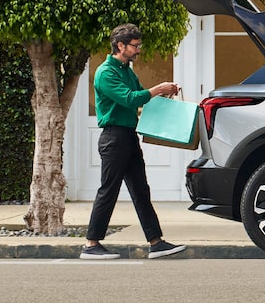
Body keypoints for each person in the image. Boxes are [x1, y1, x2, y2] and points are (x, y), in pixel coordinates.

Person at [80, 23, 188, 260]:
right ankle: (91, 244)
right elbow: (130, 99)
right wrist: (158, 88)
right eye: (135, 46)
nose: (138, 50)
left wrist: (165, 93)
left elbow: (142, 98)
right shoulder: (106, 72)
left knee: (141, 190)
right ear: (120, 45)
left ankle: (156, 242)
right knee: (108, 190)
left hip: (128, 135)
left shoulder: (127, 70)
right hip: (113, 137)